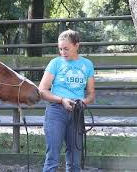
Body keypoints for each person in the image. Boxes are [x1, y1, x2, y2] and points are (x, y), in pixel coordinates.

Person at [39, 29, 95, 172]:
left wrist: (84, 102)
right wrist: (62, 99)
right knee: (52, 157)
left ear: (77, 45)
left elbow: (91, 94)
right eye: (60, 49)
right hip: (56, 112)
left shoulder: (87, 64)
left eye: (66, 48)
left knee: (75, 160)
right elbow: (42, 90)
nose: (62, 52)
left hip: (77, 113)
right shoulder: (55, 63)